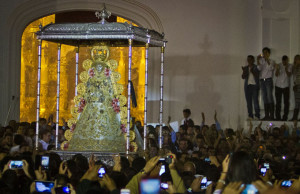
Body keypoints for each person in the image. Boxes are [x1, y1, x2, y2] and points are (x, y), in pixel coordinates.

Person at [257, 47, 276, 120]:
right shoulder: (261, 61)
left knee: (269, 97)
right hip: (262, 80)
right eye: (263, 52)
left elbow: (270, 68)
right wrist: (258, 60)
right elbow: (259, 68)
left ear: (268, 53)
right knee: (264, 97)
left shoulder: (272, 61)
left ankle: (271, 116)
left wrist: (267, 59)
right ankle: (266, 115)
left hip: (268, 80)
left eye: (266, 52)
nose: (264, 54)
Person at [242, 55, 260, 120]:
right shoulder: (246, 68)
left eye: (250, 59)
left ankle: (257, 115)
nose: (249, 61)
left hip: (254, 86)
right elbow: (243, 77)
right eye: (248, 59)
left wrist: (252, 71)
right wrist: (244, 72)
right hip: (247, 86)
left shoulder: (256, 67)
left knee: (255, 102)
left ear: (253, 60)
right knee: (248, 102)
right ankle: (250, 116)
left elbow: (257, 76)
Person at [274, 55, 292, 121]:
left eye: (286, 61)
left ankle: (285, 117)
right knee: (278, 102)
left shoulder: (290, 65)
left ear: (287, 60)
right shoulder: (279, 65)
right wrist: (278, 68)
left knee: (286, 102)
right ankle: (278, 117)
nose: (284, 62)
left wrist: (286, 68)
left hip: (286, 86)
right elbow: (276, 74)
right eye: (283, 61)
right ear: (282, 60)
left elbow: (289, 75)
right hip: (278, 86)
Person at [291, 55, 300, 120]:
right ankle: (295, 117)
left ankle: (295, 117)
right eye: (295, 59)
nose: (295, 60)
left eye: (297, 59)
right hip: (296, 85)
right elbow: (293, 76)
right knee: (297, 102)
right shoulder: (294, 67)